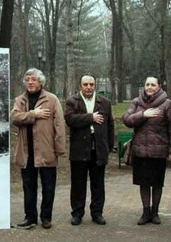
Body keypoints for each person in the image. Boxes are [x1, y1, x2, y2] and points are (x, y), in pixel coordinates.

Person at [11, 68, 66, 229]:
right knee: (29, 187)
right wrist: (33, 114)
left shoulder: (52, 99)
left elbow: (59, 125)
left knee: (48, 187)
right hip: (26, 152)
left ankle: (46, 217)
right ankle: (30, 217)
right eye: (27, 79)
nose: (30, 82)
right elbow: (14, 117)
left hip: (46, 151)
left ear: (40, 82)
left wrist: (60, 149)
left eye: (33, 79)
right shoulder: (20, 100)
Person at [123, 77, 171, 225]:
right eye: (147, 84)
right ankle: (145, 212)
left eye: (153, 84)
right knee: (143, 183)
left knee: (157, 183)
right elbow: (127, 120)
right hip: (140, 151)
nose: (150, 87)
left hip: (159, 151)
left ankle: (155, 213)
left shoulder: (166, 104)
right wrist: (143, 115)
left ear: (159, 86)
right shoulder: (136, 102)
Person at [65, 74, 115, 226]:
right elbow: (70, 119)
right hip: (79, 150)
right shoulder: (72, 101)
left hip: (98, 149)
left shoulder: (105, 102)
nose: (88, 87)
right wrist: (90, 117)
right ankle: (77, 213)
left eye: (91, 84)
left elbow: (110, 126)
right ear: (80, 85)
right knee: (78, 184)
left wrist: (109, 146)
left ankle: (97, 213)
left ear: (95, 85)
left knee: (98, 184)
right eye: (85, 84)